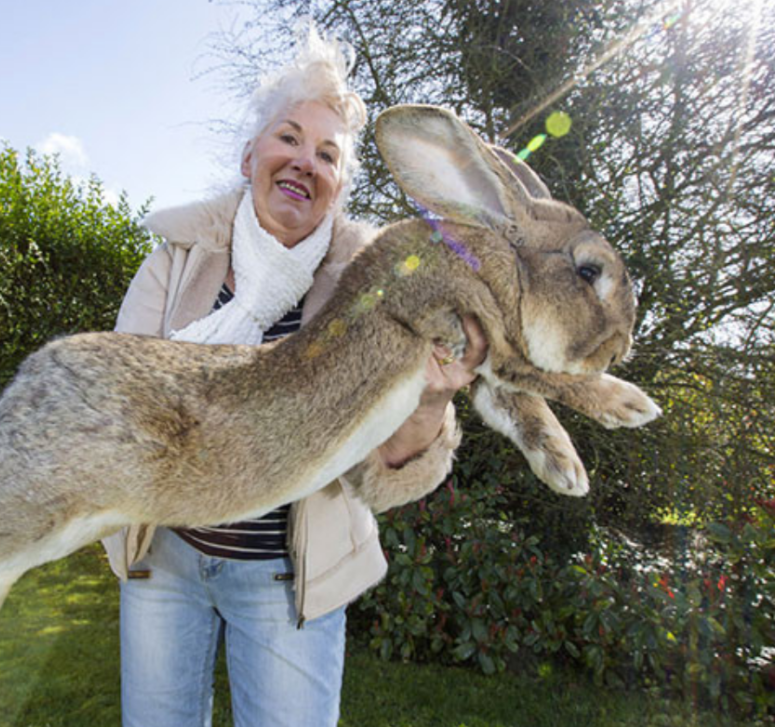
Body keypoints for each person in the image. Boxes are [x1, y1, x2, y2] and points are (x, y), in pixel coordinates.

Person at [101, 26, 487, 727]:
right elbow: (116, 403)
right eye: (289, 138)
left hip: (289, 580)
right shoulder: (176, 261)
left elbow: (385, 469)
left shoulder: (375, 289)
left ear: (338, 187)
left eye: (328, 155)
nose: (304, 162)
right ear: (250, 155)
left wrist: (431, 398)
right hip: (167, 562)